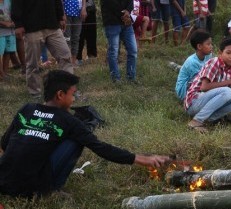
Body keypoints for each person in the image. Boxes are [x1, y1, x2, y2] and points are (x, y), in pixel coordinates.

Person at [0, 70, 171, 198]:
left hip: (4, 183)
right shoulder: (69, 121)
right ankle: (52, 190)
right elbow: (101, 148)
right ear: (60, 94)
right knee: (76, 141)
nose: (74, 99)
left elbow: (4, 145)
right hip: (31, 190)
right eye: (73, 94)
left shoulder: (27, 109)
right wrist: (143, 159)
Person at [11, 0, 74, 98]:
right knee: (32, 63)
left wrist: (60, 16)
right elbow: (16, 3)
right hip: (32, 27)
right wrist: (18, 25)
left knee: (65, 55)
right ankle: (35, 92)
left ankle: (68, 89)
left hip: (52, 25)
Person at [184, 38, 231, 133]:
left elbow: (223, 92)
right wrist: (230, 82)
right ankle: (196, 121)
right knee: (227, 91)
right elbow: (204, 87)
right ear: (220, 53)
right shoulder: (214, 62)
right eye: (228, 53)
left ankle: (210, 119)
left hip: (206, 102)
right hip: (194, 102)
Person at [101, 0, 138, 83]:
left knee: (133, 50)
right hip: (112, 22)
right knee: (113, 51)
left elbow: (130, 2)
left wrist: (128, 11)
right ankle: (115, 78)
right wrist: (124, 15)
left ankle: (131, 77)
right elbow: (110, 3)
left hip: (126, 22)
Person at [175, 30, 213, 101]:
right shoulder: (192, 62)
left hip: (198, 81)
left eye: (211, 44)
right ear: (199, 46)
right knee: (203, 80)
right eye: (208, 44)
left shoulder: (208, 55)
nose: (211, 46)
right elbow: (198, 80)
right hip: (184, 89)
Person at [63, 0, 87, 67]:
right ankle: (67, 61)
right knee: (67, 38)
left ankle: (74, 61)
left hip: (78, 13)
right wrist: (62, 13)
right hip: (66, 12)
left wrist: (84, 8)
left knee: (76, 38)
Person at [77, 0, 98, 64]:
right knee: (79, 34)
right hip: (77, 8)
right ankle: (78, 57)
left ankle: (92, 56)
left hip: (90, 7)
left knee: (92, 34)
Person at [0, 0, 15, 80]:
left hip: (10, 30)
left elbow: (14, 12)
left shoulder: (9, 1)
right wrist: (4, 23)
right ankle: (1, 74)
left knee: (7, 51)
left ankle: (5, 73)